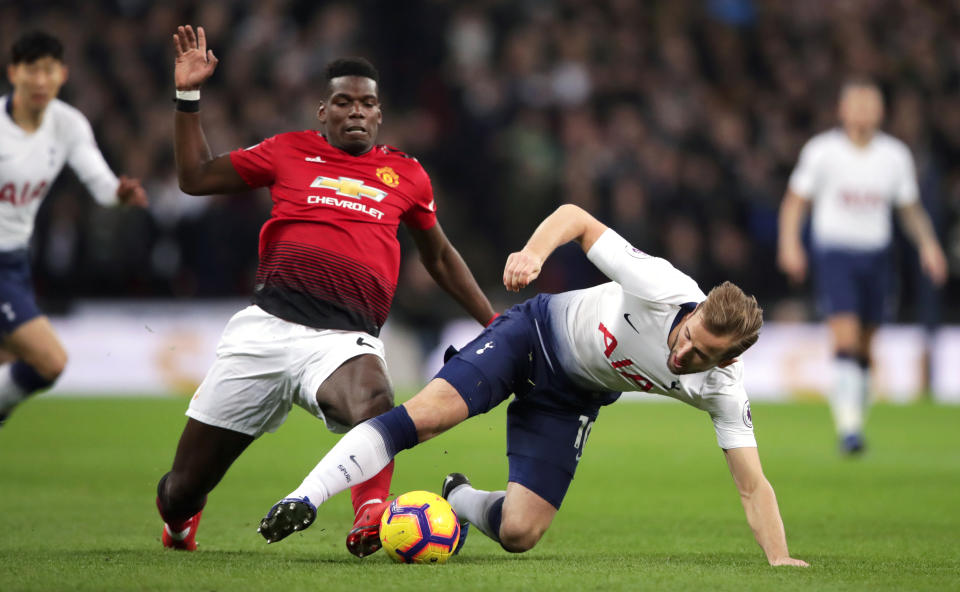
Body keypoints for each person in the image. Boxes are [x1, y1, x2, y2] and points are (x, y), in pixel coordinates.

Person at [257, 204, 810, 567]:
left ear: (731, 358)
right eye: (688, 335)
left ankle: (456, 496)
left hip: (573, 396)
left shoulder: (724, 390)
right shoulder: (662, 286)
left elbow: (751, 484)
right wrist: (534, 254)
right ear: (695, 310)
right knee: (428, 416)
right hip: (533, 334)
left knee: (520, 532)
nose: (682, 352)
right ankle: (304, 496)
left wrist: (780, 559)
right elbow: (576, 217)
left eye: (701, 356)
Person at [154, 25, 496, 555]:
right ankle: (179, 523)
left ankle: (371, 514)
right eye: (343, 101)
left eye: (367, 104)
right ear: (323, 112)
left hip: (343, 338)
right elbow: (195, 177)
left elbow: (441, 257)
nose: (356, 111)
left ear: (380, 115)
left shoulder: (406, 175)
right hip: (265, 330)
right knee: (182, 488)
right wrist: (188, 96)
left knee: (377, 399)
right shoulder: (287, 152)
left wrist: (492, 323)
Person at [777, 79, 947, 455]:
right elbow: (795, 201)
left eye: (871, 104)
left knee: (867, 347)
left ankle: (855, 418)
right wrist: (790, 245)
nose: (864, 111)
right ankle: (849, 430)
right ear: (843, 109)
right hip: (835, 254)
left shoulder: (894, 156)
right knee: (846, 337)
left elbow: (908, 208)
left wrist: (929, 246)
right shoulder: (822, 152)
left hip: (877, 257)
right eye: (857, 104)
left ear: (881, 111)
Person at [0, 31, 148, 427]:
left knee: (12, 361)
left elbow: (99, 184)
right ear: (14, 72)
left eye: (49, 70)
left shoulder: (67, 124)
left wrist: (119, 194)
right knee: (49, 361)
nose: (40, 80)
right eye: (32, 70)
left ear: (63, 74)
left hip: (15, 261)